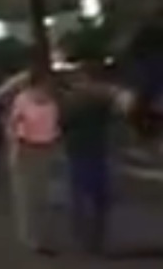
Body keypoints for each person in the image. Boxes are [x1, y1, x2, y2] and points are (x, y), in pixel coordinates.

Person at [61, 65, 118, 255]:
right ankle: (95, 238)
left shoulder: (73, 100)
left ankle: (82, 235)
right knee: (99, 196)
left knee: (80, 194)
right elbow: (113, 118)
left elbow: (63, 122)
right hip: (98, 149)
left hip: (78, 150)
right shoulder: (103, 99)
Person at [6, 72, 60, 253]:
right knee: (26, 194)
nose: (48, 87)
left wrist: (54, 142)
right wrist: (15, 148)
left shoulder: (52, 103)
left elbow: (54, 126)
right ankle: (29, 236)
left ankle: (41, 234)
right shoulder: (23, 100)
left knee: (43, 195)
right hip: (26, 149)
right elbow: (14, 124)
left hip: (46, 149)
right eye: (45, 84)